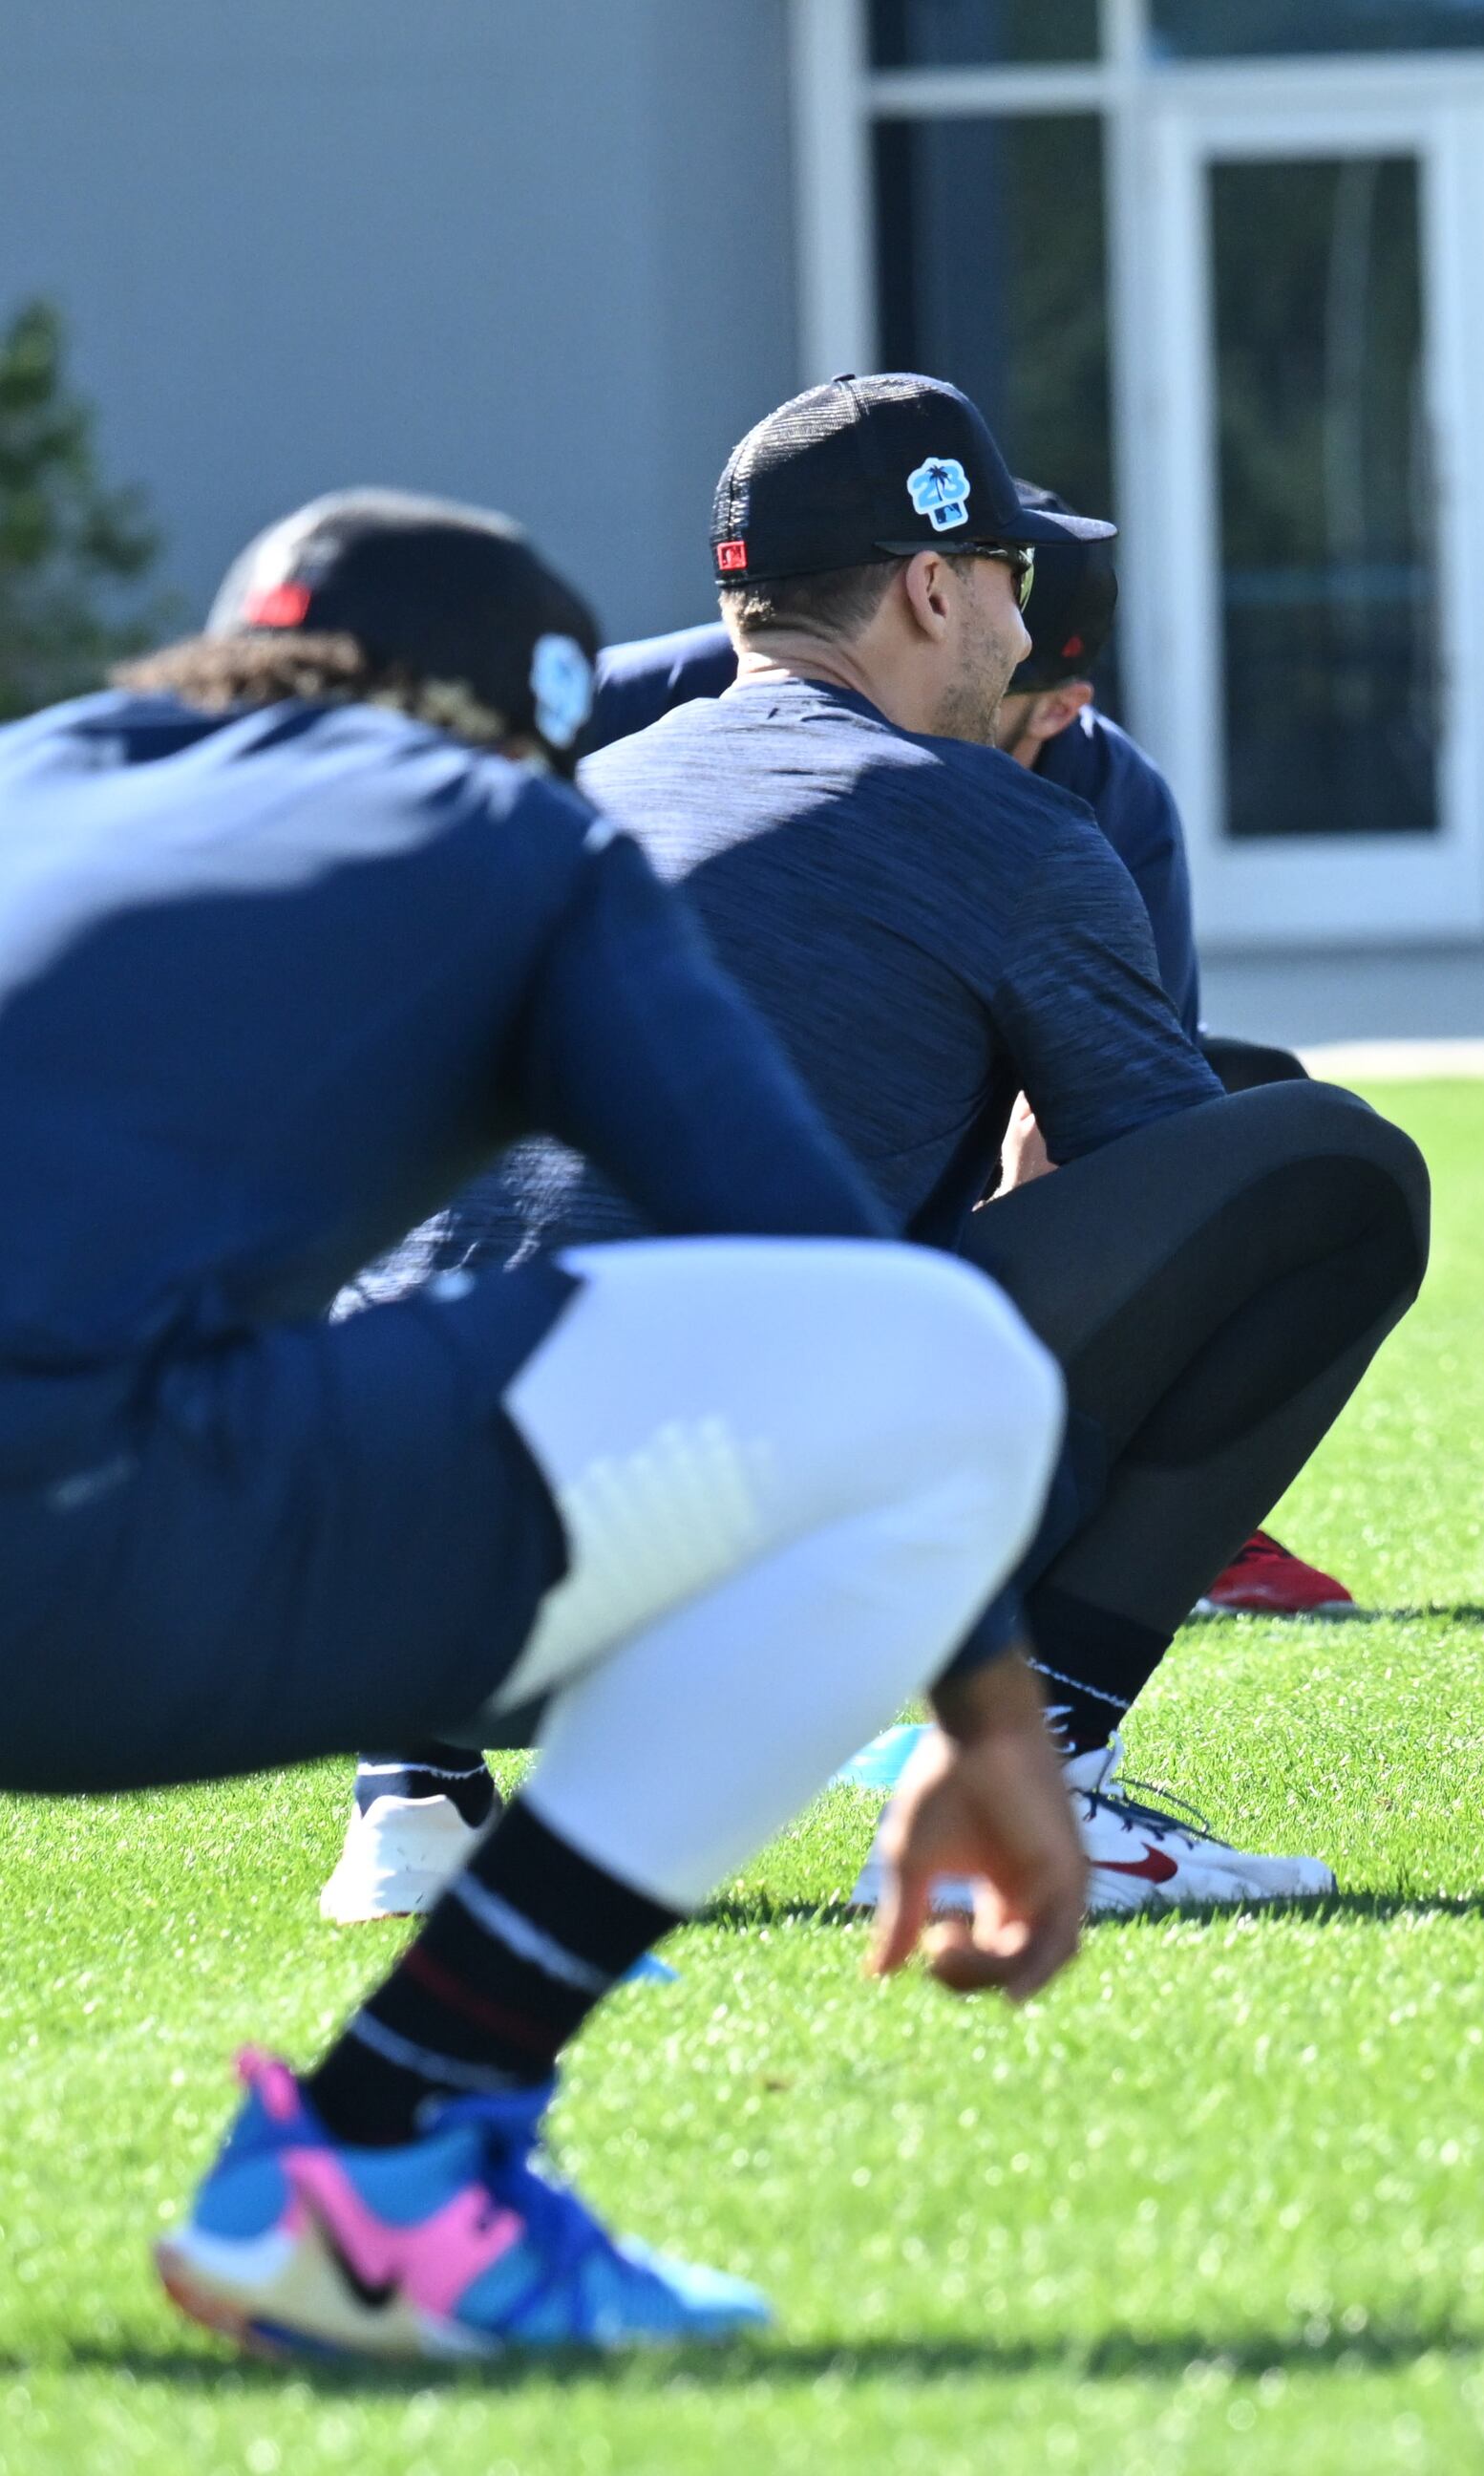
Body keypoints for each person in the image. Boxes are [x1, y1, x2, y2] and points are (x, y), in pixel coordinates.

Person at [2, 489, 1090, 2357]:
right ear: (517, 720)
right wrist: (986, 1707)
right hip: (88, 1548)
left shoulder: (38, 766)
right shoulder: (499, 816)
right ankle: (396, 2146)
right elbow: (828, 1271)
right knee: (949, 1363)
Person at [324, 376, 1429, 1926]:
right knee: (1326, 1167)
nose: (1016, 623)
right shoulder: (1007, 825)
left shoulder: (549, 797)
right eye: (1005, 578)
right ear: (930, 585)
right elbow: (1192, 1189)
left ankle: (413, 1797)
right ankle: (1026, 1776)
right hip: (653, 1575)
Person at [519, 487, 1357, 1623]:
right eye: (990, 606)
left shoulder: (1105, 805)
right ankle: (1043, 1707)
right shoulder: (642, 712)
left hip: (475, 1456)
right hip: (660, 1324)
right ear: (921, 604)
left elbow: (1139, 1137)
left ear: (1061, 710)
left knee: (1259, 1112)